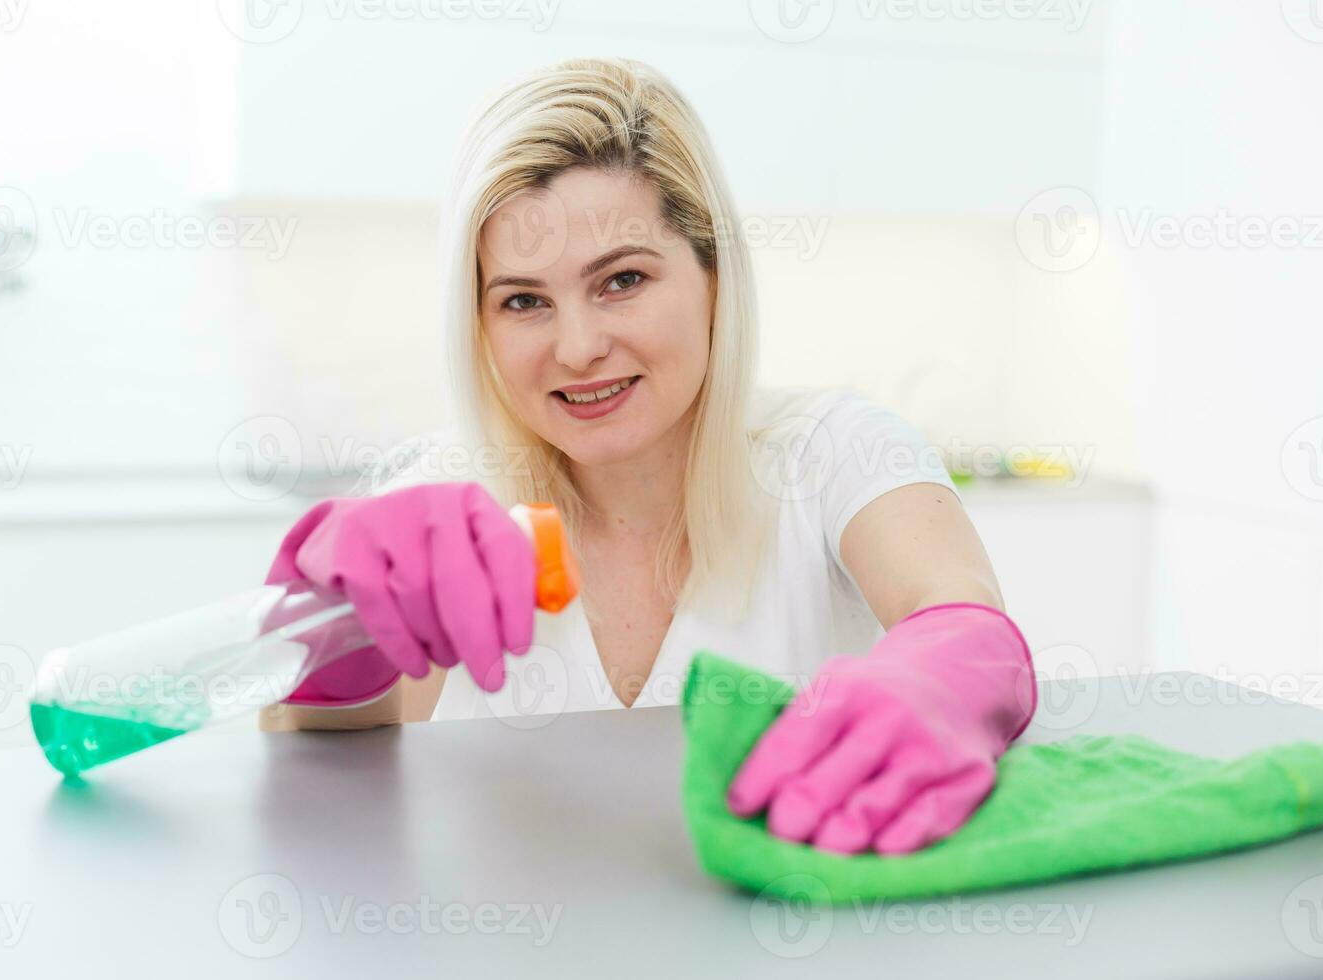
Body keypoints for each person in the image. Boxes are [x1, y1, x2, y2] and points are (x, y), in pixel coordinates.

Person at [259, 57, 1036, 857]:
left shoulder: (829, 453)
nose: (579, 346)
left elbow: (955, 603)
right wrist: (334, 655)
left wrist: (940, 677)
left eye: (622, 280)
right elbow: (318, 766)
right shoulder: (449, 512)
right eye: (524, 300)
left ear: (713, 277)